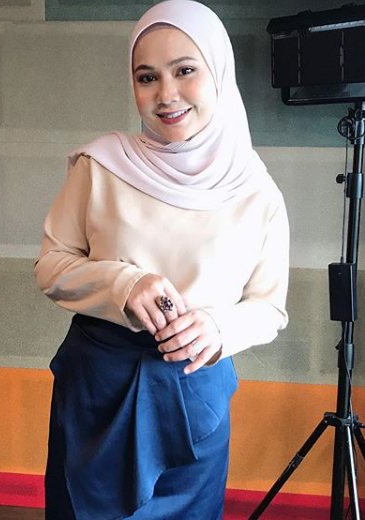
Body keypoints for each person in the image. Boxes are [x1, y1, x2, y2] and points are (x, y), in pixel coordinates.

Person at [34, 1, 289, 519]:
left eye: (185, 70)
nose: (166, 94)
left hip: (193, 401)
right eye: (147, 77)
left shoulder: (258, 194)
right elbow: (51, 265)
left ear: (219, 72)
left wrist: (218, 328)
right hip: (97, 390)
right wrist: (123, 284)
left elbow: (268, 308)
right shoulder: (100, 166)